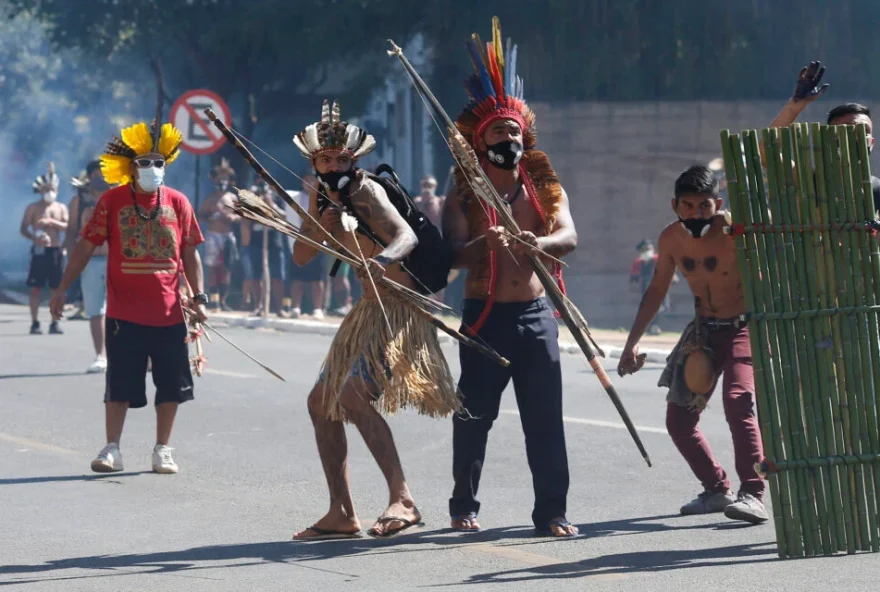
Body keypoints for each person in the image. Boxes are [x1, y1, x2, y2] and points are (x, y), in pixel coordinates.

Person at [289, 100, 460, 540]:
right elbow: (302, 256)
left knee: (351, 395)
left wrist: (383, 260)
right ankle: (341, 512)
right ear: (314, 161)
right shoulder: (321, 195)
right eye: (325, 159)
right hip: (367, 310)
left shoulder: (366, 190)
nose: (333, 165)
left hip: (398, 308)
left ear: (353, 160)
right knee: (319, 403)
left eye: (341, 159)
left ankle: (402, 498)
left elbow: (404, 235)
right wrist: (318, 223)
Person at [441, 19, 579, 537]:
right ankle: (463, 505)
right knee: (474, 417)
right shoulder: (462, 194)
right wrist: (483, 245)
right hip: (483, 317)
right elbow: (448, 257)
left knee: (545, 420)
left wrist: (533, 243)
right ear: (481, 141)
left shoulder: (544, 186)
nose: (509, 137)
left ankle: (553, 512)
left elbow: (568, 235)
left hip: (536, 315)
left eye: (514, 130)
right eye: (499, 131)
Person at [50, 119, 207, 475]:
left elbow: (190, 252)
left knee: (171, 386)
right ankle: (111, 449)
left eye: (158, 162)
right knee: (119, 385)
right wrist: (61, 288)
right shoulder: (112, 200)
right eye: (144, 162)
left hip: (170, 314)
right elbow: (85, 246)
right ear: (130, 166)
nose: (152, 169)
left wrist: (200, 297)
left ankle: (163, 449)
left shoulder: (180, 203)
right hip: (123, 314)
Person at [617, 165, 768, 525]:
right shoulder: (670, 239)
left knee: (737, 401)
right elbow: (657, 290)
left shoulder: (736, 232)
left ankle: (753, 494)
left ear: (717, 204)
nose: (696, 213)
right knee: (679, 420)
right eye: (688, 206)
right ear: (675, 205)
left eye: (704, 206)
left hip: (743, 328)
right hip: (702, 331)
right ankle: (716, 489)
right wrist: (631, 343)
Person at [765, 61, 880, 213]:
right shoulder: (806, 181)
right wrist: (795, 105)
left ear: (871, 142)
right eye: (846, 129)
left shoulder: (877, 190)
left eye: (862, 130)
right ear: (829, 138)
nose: (854, 135)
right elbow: (768, 151)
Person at [71, 163, 111, 373]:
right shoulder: (81, 203)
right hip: (90, 262)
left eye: (103, 174)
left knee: (125, 309)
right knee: (95, 310)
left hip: (116, 260)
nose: (100, 178)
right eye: (96, 175)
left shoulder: (121, 199)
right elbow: (72, 231)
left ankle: (137, 355)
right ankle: (101, 356)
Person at [20, 163, 68, 335]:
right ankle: (34, 322)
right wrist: (35, 238)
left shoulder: (61, 207)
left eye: (52, 188)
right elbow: (23, 228)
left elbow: (69, 228)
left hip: (55, 250)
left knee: (57, 288)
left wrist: (53, 223)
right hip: (40, 251)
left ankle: (55, 322)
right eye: (47, 188)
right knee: (36, 288)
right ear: (41, 190)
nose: (50, 192)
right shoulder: (33, 207)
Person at [283, 174, 326, 319]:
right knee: (297, 279)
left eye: (313, 181)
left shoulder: (324, 199)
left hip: (318, 243)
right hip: (298, 243)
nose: (309, 184)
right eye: (306, 181)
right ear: (302, 183)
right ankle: (295, 307)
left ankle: (318, 309)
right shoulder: (294, 197)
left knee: (317, 279)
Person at [199, 158, 239, 311]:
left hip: (228, 236)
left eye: (225, 178)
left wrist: (232, 217)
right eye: (219, 178)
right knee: (213, 267)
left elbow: (241, 216)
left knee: (226, 268)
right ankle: (213, 300)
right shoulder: (209, 199)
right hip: (213, 235)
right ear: (215, 180)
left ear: (229, 181)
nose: (222, 181)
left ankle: (223, 301)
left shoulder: (233, 198)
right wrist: (211, 217)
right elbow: (201, 216)